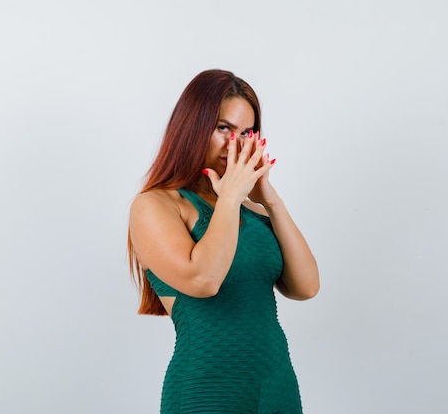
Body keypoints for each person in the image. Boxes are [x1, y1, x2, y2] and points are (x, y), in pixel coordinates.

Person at [127, 69, 320, 414]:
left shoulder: (247, 208)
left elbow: (305, 286)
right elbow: (203, 280)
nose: (235, 144)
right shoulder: (156, 205)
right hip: (207, 390)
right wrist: (231, 196)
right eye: (223, 128)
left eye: (246, 133)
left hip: (276, 387)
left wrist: (270, 201)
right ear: (192, 127)